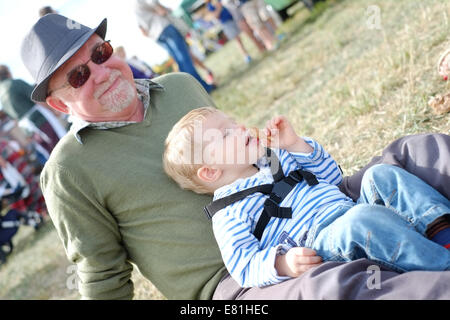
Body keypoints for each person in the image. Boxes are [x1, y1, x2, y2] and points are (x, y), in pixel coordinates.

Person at [21, 14, 450, 300]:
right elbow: (103, 276)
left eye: (101, 53)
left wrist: (294, 150)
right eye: (79, 75)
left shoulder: (180, 85)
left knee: (413, 154)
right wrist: (279, 263)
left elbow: (253, 160)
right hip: (239, 282)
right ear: (60, 106)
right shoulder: (67, 172)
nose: (101, 71)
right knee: (334, 286)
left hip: (304, 205)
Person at [163, 107, 450, 287]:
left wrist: (295, 144)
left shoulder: (273, 159)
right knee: (361, 220)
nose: (239, 128)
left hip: (348, 205)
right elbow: (244, 265)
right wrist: (282, 264)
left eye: (233, 122)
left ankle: (442, 233)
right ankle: (440, 268)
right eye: (225, 135)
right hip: (321, 241)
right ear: (210, 172)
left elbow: (332, 177)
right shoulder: (228, 213)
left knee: (382, 174)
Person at [135, 0, 215, 93]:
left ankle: (192, 89)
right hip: (165, 27)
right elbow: (158, 8)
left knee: (180, 62)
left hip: (157, 36)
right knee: (185, 60)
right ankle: (203, 88)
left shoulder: (135, 7)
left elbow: (143, 31)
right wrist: (166, 10)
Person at [0, 65, 66, 156]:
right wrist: (53, 110)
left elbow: (14, 119)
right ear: (7, 73)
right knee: (63, 144)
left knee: (51, 154)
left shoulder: (1, 97)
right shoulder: (15, 83)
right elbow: (36, 98)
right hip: (39, 119)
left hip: (27, 129)